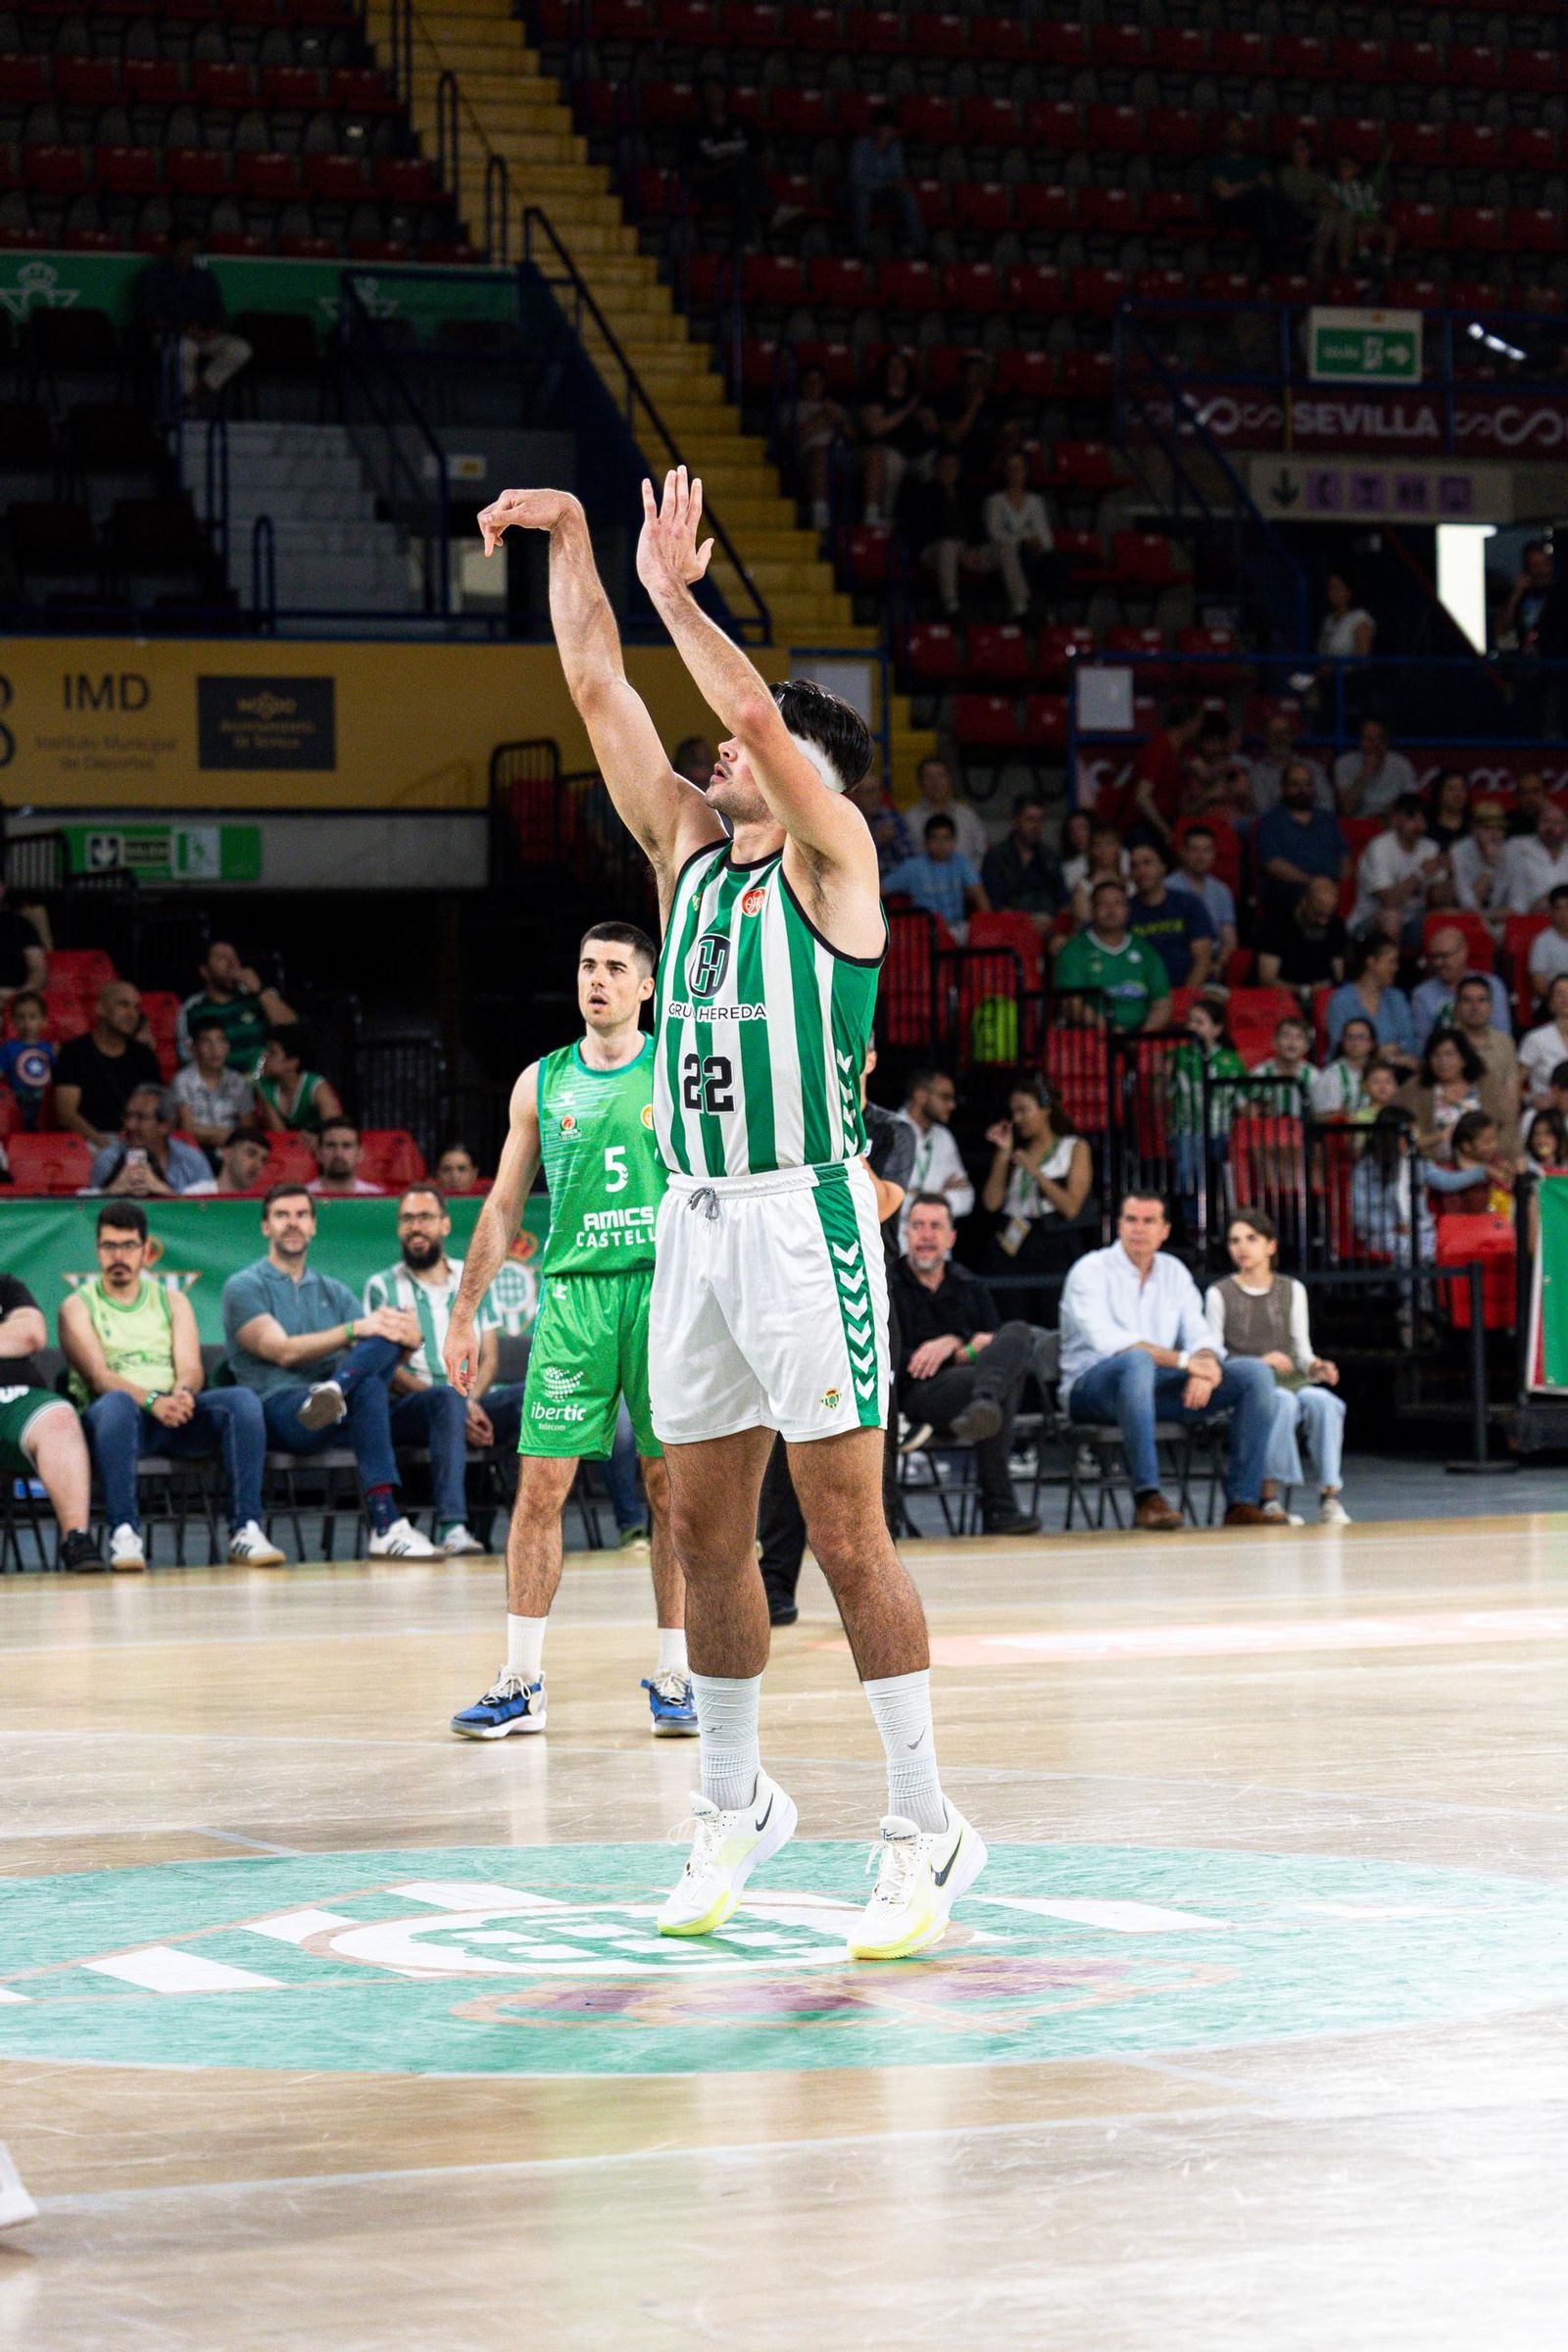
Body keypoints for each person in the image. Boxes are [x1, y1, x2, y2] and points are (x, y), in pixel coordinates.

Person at [475, 468, 987, 1959]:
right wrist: (575, 545)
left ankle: (925, 1821)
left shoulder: (841, 870)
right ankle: (733, 1804)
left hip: (802, 1220)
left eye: (747, 743)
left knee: (844, 1534)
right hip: (691, 1226)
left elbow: (758, 719)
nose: (716, 747)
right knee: (698, 1532)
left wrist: (678, 592)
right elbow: (590, 683)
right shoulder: (688, 860)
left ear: (815, 775)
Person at [442, 925, 692, 1738]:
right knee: (540, 1488)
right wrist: (463, 1310)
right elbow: (503, 1205)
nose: (599, 979)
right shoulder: (540, 1082)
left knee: (671, 1491)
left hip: (665, 1290)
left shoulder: (678, 1066)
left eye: (617, 968)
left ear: (646, 987)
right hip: (574, 1297)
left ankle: (679, 1675)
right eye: (587, 965)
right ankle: (521, 1680)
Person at [759, 1045, 915, 1624]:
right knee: (782, 1438)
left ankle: (881, 1581)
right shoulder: (790, 1117)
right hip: (795, 1288)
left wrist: (842, 1124)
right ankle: (775, 1582)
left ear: (871, 1057)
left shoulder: (892, 1132)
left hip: (868, 1295)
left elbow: (877, 1206)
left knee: (876, 1440)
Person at [61, 1200, 284, 1572]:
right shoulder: (77, 1306)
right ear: (98, 1251)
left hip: (174, 1417)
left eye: (128, 1246)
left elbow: (191, 1367)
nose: (119, 1255)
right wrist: (152, 1401)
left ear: (146, 1251)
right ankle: (124, 1533)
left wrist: (181, 1394)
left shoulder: (173, 1300)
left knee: (241, 1403)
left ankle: (245, 1528)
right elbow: (99, 1377)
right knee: (117, 1402)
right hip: (115, 1423)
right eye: (109, 1246)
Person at [222, 1185, 441, 1557]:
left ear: (313, 1227)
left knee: (372, 1378)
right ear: (265, 1227)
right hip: (279, 1411)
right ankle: (386, 1521)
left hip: (335, 1413)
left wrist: (406, 1342)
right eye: (282, 1215)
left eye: (302, 1215)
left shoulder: (334, 1290)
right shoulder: (243, 1287)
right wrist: (359, 1330)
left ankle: (387, 1528)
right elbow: (284, 1352)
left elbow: (371, 1354)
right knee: (371, 1349)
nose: (293, 1223)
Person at [1058, 1191, 1280, 1530]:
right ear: (1117, 1225)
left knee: (1255, 1374)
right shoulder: (1090, 1270)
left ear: (1164, 1230)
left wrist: (1203, 1367)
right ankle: (1147, 1497)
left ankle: (1242, 1502)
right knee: (1136, 1362)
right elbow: (1108, 1341)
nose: (1139, 1229)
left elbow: (1201, 1334)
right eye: (1131, 1220)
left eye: (1149, 1221)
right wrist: (1183, 1361)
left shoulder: (1173, 1271)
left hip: (1155, 1389)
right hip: (1093, 1391)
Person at [365, 1185, 523, 1564]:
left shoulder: (471, 1280)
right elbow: (385, 1367)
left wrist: (468, 1403)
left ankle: (533, 1522)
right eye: (407, 1219)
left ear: (445, 1224)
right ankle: (452, 1527)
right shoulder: (382, 1287)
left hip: (472, 1399)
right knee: (444, 1400)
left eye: (425, 1218)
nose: (416, 1227)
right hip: (412, 1407)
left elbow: (489, 1359)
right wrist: (455, 1402)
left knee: (527, 1396)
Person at [891, 1194, 1041, 1535]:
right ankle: (998, 1507)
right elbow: (901, 1362)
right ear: (906, 1234)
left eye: (935, 1226)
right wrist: (965, 1347)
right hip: (916, 1398)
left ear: (951, 1237)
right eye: (918, 1226)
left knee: (1017, 1332)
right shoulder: (888, 1284)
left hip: (970, 1391)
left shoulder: (969, 1284)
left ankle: (984, 1401)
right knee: (1002, 1385)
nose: (926, 1235)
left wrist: (954, 1343)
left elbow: (994, 1344)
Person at [1207, 1209, 1350, 1528]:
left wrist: (1317, 1367)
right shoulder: (1220, 1293)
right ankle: (1268, 1498)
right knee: (1281, 1402)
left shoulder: (1291, 1289)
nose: (1241, 1247)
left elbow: (1302, 1351)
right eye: (1234, 1241)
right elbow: (1214, 1357)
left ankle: (1330, 1496)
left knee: (1326, 1403)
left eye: (1251, 1239)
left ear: (1270, 1246)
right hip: (1249, 1388)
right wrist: (1261, 1363)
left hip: (1291, 1381)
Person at [0, 1265, 104, 1572]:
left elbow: (31, 1335)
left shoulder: (6, 1286)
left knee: (58, 1417)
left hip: (17, 1396)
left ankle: (76, 1538)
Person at [980, 1077, 1093, 1275]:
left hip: (1052, 1239)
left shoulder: (1073, 1147)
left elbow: (1071, 1208)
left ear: (1045, 1109)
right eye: (1013, 1113)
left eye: (1024, 1110)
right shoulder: (1016, 1152)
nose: (1017, 1119)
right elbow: (991, 1203)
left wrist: (1036, 1173)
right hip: (1013, 1237)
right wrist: (1002, 1154)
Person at [133, 233, 253, 406]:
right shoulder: (152, 277)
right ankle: (187, 409)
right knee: (185, 349)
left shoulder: (205, 277)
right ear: (171, 249)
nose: (189, 254)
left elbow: (219, 312)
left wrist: (213, 330)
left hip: (205, 336)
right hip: (168, 335)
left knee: (240, 349)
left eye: (194, 250)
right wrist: (183, 329)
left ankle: (195, 394)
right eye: (185, 249)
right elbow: (148, 316)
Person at [53, 981, 162, 1150]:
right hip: (89, 1141)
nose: (132, 1014)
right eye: (123, 1005)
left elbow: (155, 1107)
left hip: (137, 1139)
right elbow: (66, 1115)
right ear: (100, 1009)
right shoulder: (74, 1051)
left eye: (137, 1007)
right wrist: (105, 1145)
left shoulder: (144, 1055)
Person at [1055, 877, 1173, 1034]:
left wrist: (1142, 1039)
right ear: (1092, 909)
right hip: (1093, 1037)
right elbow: (1072, 1003)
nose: (1111, 910)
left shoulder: (1146, 951)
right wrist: (1113, 1032)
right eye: (1103, 904)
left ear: (1127, 909)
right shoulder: (1074, 950)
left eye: (1118, 903)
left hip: (1141, 1039)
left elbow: (1162, 1003)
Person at [174, 940, 293, 1072]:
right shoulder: (193, 1008)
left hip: (264, 1083)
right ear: (205, 971)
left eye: (234, 957)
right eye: (222, 958)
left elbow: (292, 1030)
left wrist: (259, 990)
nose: (232, 964)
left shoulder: (261, 996)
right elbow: (187, 1058)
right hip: (221, 1087)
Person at [1255, 760, 1349, 924]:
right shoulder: (1271, 820)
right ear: (1283, 788)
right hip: (1290, 888)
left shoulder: (1327, 819)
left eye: (1307, 784)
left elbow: (1345, 858)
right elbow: (1273, 864)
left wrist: (1339, 883)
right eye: (1295, 784)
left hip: (1332, 886)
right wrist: (1313, 884)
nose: (1302, 790)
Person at [1350, 794, 1444, 947]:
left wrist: (1446, 874)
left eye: (1423, 818)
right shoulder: (1379, 847)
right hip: (1370, 922)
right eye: (1412, 817)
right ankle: (1388, 968)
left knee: (1445, 918)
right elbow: (1389, 901)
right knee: (1392, 918)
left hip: (1413, 919)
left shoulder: (1430, 847)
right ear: (1396, 819)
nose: (1419, 824)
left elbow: (1440, 900)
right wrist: (1420, 874)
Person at [683, 76, 762, 249]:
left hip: (742, 183)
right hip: (713, 185)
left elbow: (761, 156)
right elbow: (695, 174)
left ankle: (745, 242)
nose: (714, 96)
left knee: (743, 181)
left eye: (717, 90)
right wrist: (729, 166)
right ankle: (766, 217)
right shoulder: (696, 129)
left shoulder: (741, 122)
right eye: (709, 91)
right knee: (742, 175)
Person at [858, 350, 936, 526]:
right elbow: (875, 429)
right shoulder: (874, 395)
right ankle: (885, 515)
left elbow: (934, 431)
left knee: (938, 462)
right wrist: (906, 412)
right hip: (887, 452)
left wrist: (927, 420)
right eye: (891, 366)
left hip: (918, 453)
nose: (896, 371)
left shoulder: (917, 397)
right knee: (892, 461)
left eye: (901, 367)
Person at [90, 1085, 211, 1198]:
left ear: (165, 1125)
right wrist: (111, 1191)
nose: (130, 1125)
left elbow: (208, 1212)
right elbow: (88, 1213)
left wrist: (164, 1192)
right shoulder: (107, 1159)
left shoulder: (192, 1159)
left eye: (141, 1117)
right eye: (128, 1116)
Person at [882, 812, 988, 940]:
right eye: (934, 838)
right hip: (924, 933)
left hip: (957, 928)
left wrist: (986, 927)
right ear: (926, 842)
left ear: (954, 841)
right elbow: (879, 890)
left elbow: (980, 896)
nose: (940, 844)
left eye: (946, 838)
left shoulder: (961, 863)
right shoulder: (912, 867)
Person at [981, 450, 1058, 621]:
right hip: (1004, 553)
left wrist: (1037, 545)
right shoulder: (995, 501)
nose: (1015, 473)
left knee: (1052, 562)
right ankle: (1020, 607)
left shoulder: (1035, 502)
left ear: (1026, 471)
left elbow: (1045, 536)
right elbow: (995, 533)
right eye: (1011, 468)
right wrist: (1024, 541)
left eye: (1019, 468)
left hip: (1032, 553)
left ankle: (1047, 612)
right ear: (1005, 472)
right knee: (1012, 553)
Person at [1128, 840, 1216, 988]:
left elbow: (1203, 960)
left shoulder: (1189, 904)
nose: (1141, 870)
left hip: (1192, 992)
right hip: (1142, 995)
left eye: (1147, 863)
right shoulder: (1124, 910)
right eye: (1134, 865)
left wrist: (1185, 998)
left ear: (1163, 867)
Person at [1349, 1104, 1433, 1260]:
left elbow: (1446, 1179)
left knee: (1442, 1246)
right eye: (1408, 1134)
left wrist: (1482, 1171)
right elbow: (1358, 1213)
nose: (1414, 1139)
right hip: (1381, 1234)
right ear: (1391, 1137)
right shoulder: (1365, 1169)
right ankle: (1414, 1284)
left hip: (1416, 1230)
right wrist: (1393, 1225)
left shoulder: (1412, 1162)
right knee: (1415, 1252)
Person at [169, 1015, 258, 1153]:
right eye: (206, 1042)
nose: (215, 1050)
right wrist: (232, 1134)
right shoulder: (182, 1080)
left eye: (220, 1041)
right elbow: (187, 1128)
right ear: (193, 1048)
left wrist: (207, 1133)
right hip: (193, 1150)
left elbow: (247, 1129)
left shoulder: (238, 1081)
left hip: (232, 1151)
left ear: (228, 1046)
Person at [900, 1068, 974, 1233]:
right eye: (945, 1097)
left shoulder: (944, 1137)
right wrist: (940, 1196)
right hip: (896, 1248)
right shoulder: (888, 1132)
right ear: (920, 1096)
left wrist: (917, 1196)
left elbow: (967, 1198)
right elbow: (882, 1199)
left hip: (938, 1249)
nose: (952, 1105)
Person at [1398, 1028, 1493, 1159]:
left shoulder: (1484, 1085)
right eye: (1436, 1055)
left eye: (1449, 1054)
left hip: (1484, 1167)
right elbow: (1404, 1136)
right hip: (1431, 1169)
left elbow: (1504, 1126)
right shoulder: (1414, 1088)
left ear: (1464, 1058)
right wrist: (1437, 1138)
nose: (1443, 1062)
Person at [848, 98, 925, 255]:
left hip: (883, 195)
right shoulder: (861, 146)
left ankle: (921, 247)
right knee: (863, 198)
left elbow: (898, 175)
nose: (891, 133)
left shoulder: (895, 148)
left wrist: (897, 184)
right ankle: (861, 248)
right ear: (878, 128)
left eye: (893, 129)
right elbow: (857, 179)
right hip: (857, 194)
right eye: (888, 128)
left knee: (908, 196)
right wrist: (887, 184)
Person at [1410, 926, 1512, 1044]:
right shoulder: (1422, 994)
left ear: (1463, 952)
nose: (1438, 963)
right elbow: (1423, 1044)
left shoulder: (1492, 985)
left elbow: (1503, 1036)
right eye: (1434, 956)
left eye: (1444, 956)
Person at [1124, 699, 1202, 848]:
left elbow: (1205, 773)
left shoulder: (1183, 749)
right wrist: (1165, 830)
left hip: (1170, 821)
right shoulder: (1159, 748)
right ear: (1189, 722)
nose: (1200, 727)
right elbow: (1142, 797)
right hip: (1144, 825)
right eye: (1199, 721)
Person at [980, 795, 1064, 932]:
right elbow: (996, 904)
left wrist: (1052, 922)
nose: (1035, 826)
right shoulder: (996, 857)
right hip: (1011, 928)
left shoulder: (1050, 857)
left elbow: (1062, 900)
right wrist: (1024, 923)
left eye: (1039, 821)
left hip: (1048, 928)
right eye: (1030, 820)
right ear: (1015, 821)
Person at [1325, 937, 1417, 1062]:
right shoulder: (1341, 1000)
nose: (1396, 968)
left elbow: (1410, 1041)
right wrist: (1386, 1054)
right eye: (1391, 962)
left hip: (1396, 1071)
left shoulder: (1396, 997)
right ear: (1371, 962)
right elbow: (1340, 1047)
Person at [1256, 872, 1348, 996]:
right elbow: (1267, 981)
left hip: (1321, 999)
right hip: (1279, 999)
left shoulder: (1335, 926)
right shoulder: (1276, 924)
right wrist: (1304, 990)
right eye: (1318, 914)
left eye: (1328, 916)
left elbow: (1338, 976)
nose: (1323, 922)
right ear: (1304, 901)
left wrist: (1327, 988)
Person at [1208, 120, 1283, 268]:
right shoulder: (1217, 162)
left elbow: (1270, 186)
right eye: (1230, 130)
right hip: (1232, 210)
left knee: (1267, 209)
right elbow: (1224, 193)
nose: (1233, 134)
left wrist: (1240, 186)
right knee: (1263, 200)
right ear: (1224, 135)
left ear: (1244, 135)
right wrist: (1253, 184)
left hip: (1259, 210)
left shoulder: (1257, 162)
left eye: (1237, 130)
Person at [1311, 153, 1393, 282]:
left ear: (1356, 169)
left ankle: (1385, 263)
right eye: (1340, 166)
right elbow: (1322, 198)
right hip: (1348, 224)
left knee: (1390, 232)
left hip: (1367, 221)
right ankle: (1360, 259)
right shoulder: (1334, 187)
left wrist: (1374, 216)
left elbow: (1373, 208)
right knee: (1352, 224)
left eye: (1346, 166)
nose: (1342, 169)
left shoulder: (1364, 188)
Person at [1166, 824, 1238, 965]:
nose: (1200, 857)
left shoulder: (1222, 890)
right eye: (1194, 850)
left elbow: (1229, 940)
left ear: (1214, 854)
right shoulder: (1167, 887)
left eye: (1206, 850)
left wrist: (1218, 965)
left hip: (1214, 961)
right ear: (1183, 852)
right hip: (1178, 960)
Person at [1426, 1108, 1515, 1220]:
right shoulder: (1445, 1170)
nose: (1494, 1146)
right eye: (1487, 1142)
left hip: (1491, 1233)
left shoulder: (1496, 1165)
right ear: (1466, 1145)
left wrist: (1509, 1179)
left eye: (1495, 1140)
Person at [256, 1024, 341, 1136]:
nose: (264, 1056)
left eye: (272, 1053)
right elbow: (280, 1135)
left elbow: (337, 1131)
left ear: (292, 1062)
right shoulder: (264, 1086)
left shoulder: (316, 1087)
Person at [911, 753, 988, 869]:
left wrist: (968, 880)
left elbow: (981, 851)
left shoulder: (968, 815)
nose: (935, 782)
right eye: (929, 777)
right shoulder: (909, 819)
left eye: (940, 776)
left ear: (949, 779)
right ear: (920, 782)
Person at [1249, 714, 1333, 813]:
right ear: (1266, 737)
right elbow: (1262, 811)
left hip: (1312, 826)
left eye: (1284, 733)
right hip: (1276, 827)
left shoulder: (1312, 767)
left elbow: (1328, 806)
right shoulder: (1258, 771)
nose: (1279, 738)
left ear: (1292, 736)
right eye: (1273, 733)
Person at [1499, 797, 1568, 915]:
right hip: (1525, 919)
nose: (1550, 828)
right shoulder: (1517, 846)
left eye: (1556, 822)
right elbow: (1502, 889)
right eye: (1545, 821)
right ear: (1537, 823)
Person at [1335, 718, 1416, 819]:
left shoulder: (1402, 765)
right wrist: (1366, 772)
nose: (1367, 745)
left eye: (1373, 740)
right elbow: (1347, 809)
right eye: (1365, 739)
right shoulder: (1344, 763)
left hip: (1392, 825)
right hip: (1358, 824)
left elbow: (1411, 806)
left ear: (1385, 742)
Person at [1451, 796, 1512, 926]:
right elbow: (1468, 904)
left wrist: (1488, 916)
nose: (1495, 834)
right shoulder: (1459, 851)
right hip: (1469, 924)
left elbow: (1520, 906)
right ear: (1474, 830)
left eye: (1499, 828)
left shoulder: (1511, 852)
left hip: (1503, 923)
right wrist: (1489, 867)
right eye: (1488, 828)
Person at [0, 988, 56, 1128]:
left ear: (43, 1020)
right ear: (13, 1021)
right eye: (21, 1017)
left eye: (32, 1017)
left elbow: (58, 1075)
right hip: (19, 1099)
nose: (26, 1022)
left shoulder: (49, 1048)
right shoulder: (8, 1047)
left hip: (45, 1101)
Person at [848, 772, 914, 880]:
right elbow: (850, 864)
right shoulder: (848, 823)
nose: (875, 796)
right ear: (854, 796)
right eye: (868, 792)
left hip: (897, 887)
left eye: (877, 790)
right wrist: (877, 841)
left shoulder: (893, 819)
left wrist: (892, 841)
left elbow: (910, 858)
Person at [1311, 1014, 1378, 1119]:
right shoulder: (1330, 1075)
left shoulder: (1382, 1072)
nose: (1355, 1043)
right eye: (1350, 1037)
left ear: (1372, 1043)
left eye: (1361, 1037)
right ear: (1342, 1042)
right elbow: (1323, 1117)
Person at [1250, 1014, 1319, 1113]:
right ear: (1274, 1042)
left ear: (1307, 1046)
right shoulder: (1259, 1073)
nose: (1292, 1043)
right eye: (1286, 1036)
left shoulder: (1314, 1076)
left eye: (1299, 1037)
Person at [1518, 973, 1568, 1107]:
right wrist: (1531, 1099)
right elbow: (1513, 1083)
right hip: (1546, 1115)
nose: (1565, 998)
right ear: (1550, 1002)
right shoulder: (1536, 1038)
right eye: (1560, 993)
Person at [183, 1122, 270, 1197]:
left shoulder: (260, 1204)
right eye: (251, 1154)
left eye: (263, 1160)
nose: (258, 1165)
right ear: (226, 1154)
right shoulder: (194, 1195)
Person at [308, 1118, 382, 1199]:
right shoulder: (302, 1198)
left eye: (346, 1146)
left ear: (359, 1154)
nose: (338, 1154)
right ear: (318, 1153)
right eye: (330, 1145)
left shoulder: (377, 1198)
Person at [0, 878, 46, 1005]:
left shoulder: (21, 925)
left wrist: (20, 995)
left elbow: (38, 970)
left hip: (12, 997)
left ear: (2, 890)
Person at [1528, 884, 1568, 996]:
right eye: (1558, 908)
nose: (1564, 914)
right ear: (1551, 912)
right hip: (1554, 1002)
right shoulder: (1542, 941)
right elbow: (1539, 984)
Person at [1426, 768, 1472, 855]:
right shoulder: (1427, 826)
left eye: (1462, 789)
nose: (1458, 794)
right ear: (1439, 793)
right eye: (1451, 789)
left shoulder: (1473, 826)